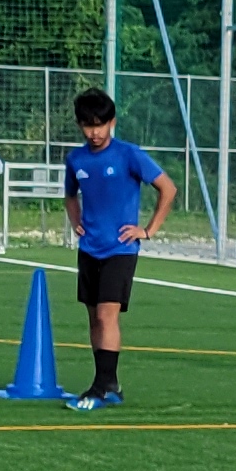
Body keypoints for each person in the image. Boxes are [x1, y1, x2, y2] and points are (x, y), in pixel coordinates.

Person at [59, 89, 173, 411]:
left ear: (112, 122)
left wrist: (147, 230)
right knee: (94, 318)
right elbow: (70, 196)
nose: (94, 132)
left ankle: (101, 386)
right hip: (89, 248)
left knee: (108, 315)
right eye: (87, 125)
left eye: (100, 124)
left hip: (120, 250)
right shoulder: (76, 159)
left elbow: (168, 188)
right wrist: (76, 221)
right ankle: (109, 382)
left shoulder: (129, 154)